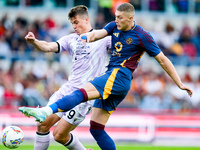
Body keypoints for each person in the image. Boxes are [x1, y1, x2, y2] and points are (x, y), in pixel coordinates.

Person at [19, 3, 193, 150]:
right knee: (96, 129)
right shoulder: (108, 29)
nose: (115, 20)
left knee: (78, 98)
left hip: (118, 76)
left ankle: (46, 110)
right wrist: (86, 36)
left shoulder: (141, 36)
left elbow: (162, 59)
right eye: (115, 16)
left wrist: (179, 83)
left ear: (131, 18)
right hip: (102, 82)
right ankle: (47, 113)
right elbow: (96, 34)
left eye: (119, 17)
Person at [22, 5, 111, 150]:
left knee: (59, 135)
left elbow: (123, 49)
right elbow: (49, 46)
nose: (74, 26)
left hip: (85, 95)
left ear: (86, 19)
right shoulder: (71, 39)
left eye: (76, 22)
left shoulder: (103, 39)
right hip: (68, 89)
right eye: (72, 23)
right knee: (42, 124)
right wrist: (34, 42)